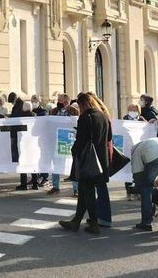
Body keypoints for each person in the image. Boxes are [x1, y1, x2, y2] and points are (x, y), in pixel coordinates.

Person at [59, 92, 113, 235]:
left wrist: (74, 151)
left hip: (87, 159)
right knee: (84, 191)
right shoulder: (103, 116)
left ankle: (93, 223)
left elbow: (81, 140)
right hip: (101, 159)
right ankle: (76, 221)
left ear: (82, 104)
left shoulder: (85, 117)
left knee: (87, 192)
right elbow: (109, 137)